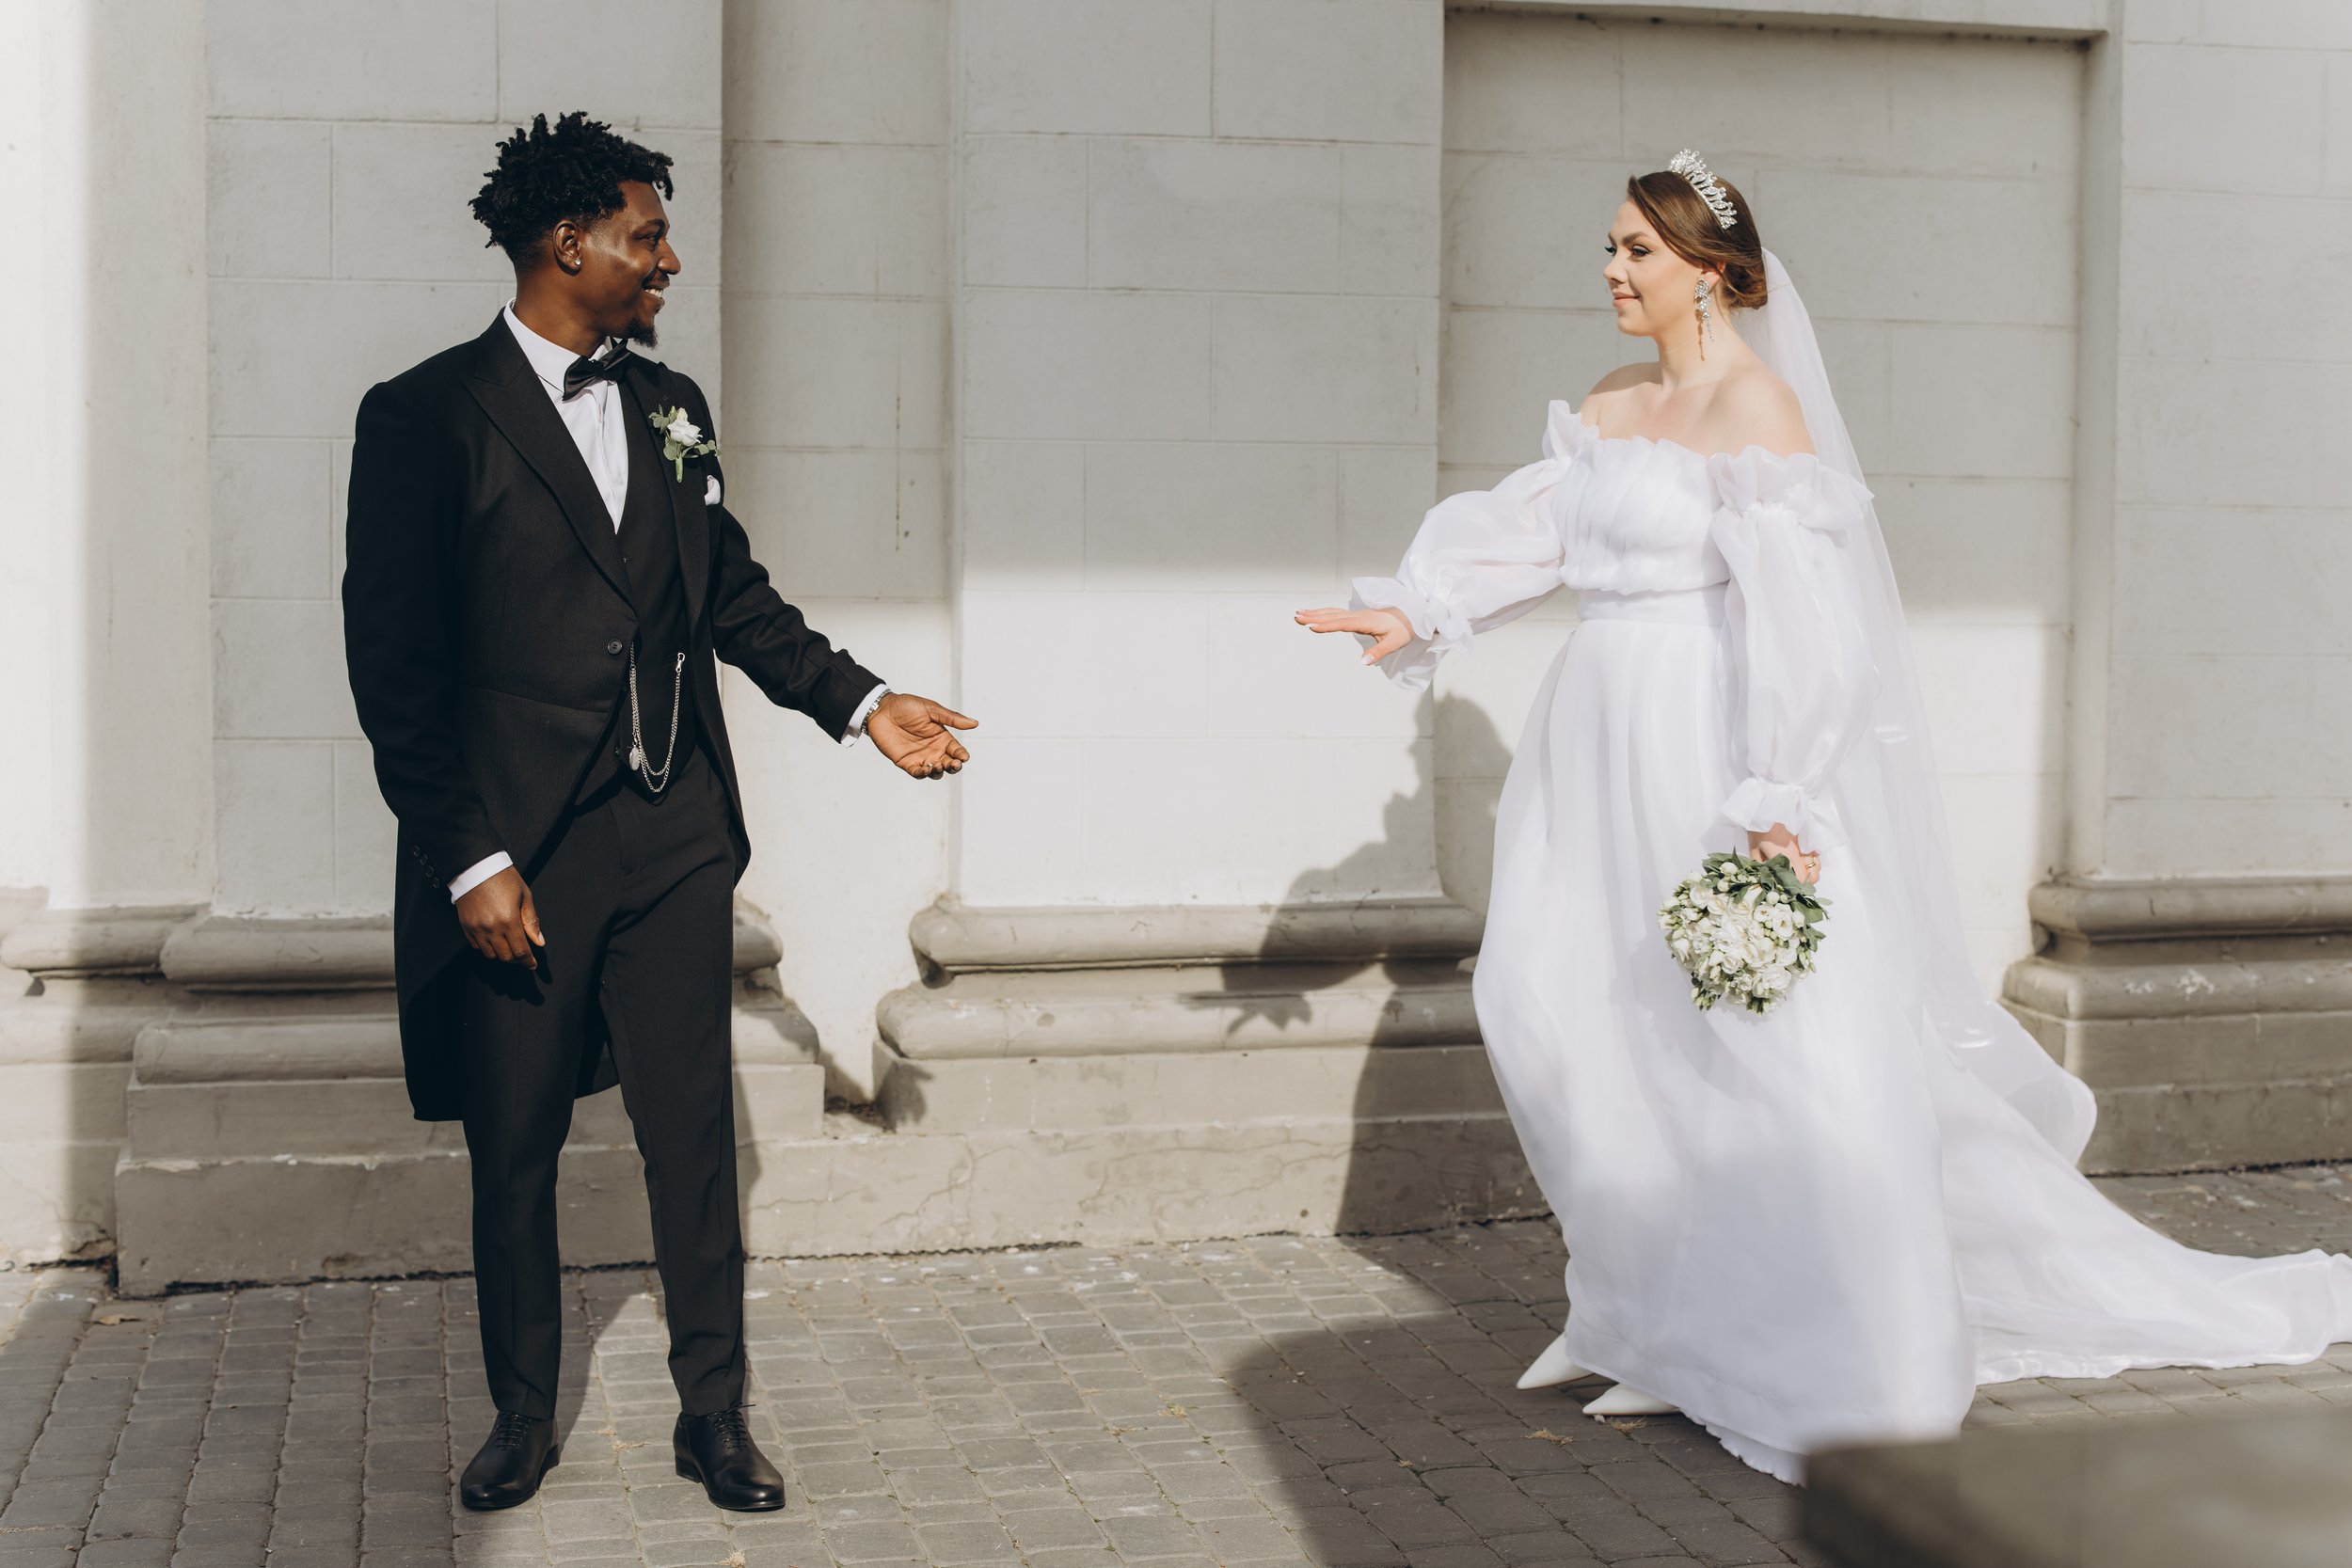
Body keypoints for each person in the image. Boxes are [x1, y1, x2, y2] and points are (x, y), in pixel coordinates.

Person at [1297, 150, 2352, 1483]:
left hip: (1700, 747)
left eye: (1637, 251)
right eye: (1609, 250)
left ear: (1712, 269)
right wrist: (1418, 607)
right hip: (1588, 746)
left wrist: (1781, 796)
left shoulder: (1760, 413)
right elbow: (1542, 541)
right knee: (1549, 1005)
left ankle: (1771, 1339)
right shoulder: (1618, 403)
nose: (1614, 273)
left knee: (1740, 1047)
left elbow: (1809, 623)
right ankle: (1631, 1309)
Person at [341, 112, 977, 1513]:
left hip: (674, 831)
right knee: (516, 1150)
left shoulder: (669, 401)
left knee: (692, 1136)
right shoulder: (424, 415)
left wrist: (865, 704)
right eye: (648, 235)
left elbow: (727, 596)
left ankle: (716, 1417)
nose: (668, 259)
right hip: (522, 855)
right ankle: (520, 1413)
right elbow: (394, 671)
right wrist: (471, 859)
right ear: (570, 244)